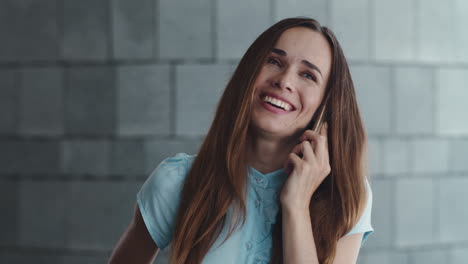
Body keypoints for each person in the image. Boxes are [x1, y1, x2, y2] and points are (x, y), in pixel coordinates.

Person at [108, 17, 374, 264]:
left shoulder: (346, 194)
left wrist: (296, 205)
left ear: (325, 104)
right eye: (274, 61)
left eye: (308, 75)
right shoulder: (177, 180)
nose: (284, 81)